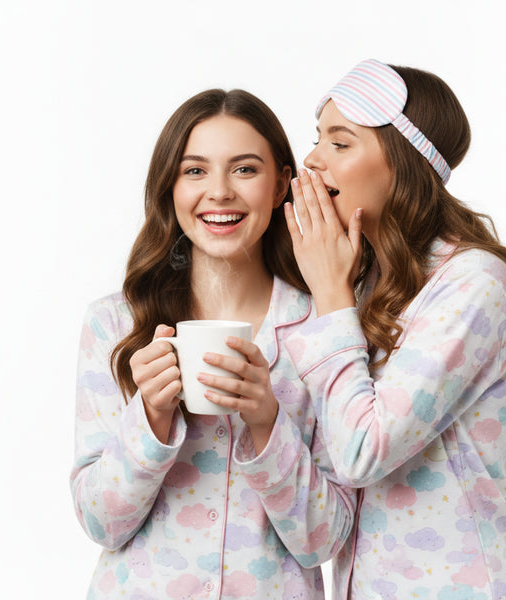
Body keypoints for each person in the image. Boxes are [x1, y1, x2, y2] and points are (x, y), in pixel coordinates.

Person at [70, 88, 356, 599]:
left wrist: (267, 422)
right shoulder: (116, 323)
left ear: (280, 185)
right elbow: (101, 524)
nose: (219, 192)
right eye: (195, 171)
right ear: (170, 187)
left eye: (245, 169)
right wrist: (152, 416)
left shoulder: (324, 327)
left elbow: (324, 539)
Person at [284, 59, 506, 598]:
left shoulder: (472, 282)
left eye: (340, 142)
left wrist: (330, 295)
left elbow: (362, 450)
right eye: (318, 140)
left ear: (402, 160)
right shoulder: (364, 279)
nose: (312, 159)